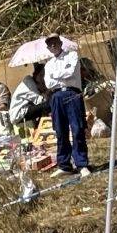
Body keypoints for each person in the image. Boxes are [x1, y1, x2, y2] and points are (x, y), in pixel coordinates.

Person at [43, 34, 90, 175]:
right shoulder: (48, 64)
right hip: (57, 96)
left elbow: (70, 72)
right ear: (48, 47)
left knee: (77, 128)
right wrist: (60, 76)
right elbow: (48, 83)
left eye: (55, 43)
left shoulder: (72, 56)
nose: (53, 46)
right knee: (60, 130)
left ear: (60, 43)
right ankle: (64, 164)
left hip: (72, 93)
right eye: (50, 44)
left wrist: (55, 76)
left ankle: (81, 164)